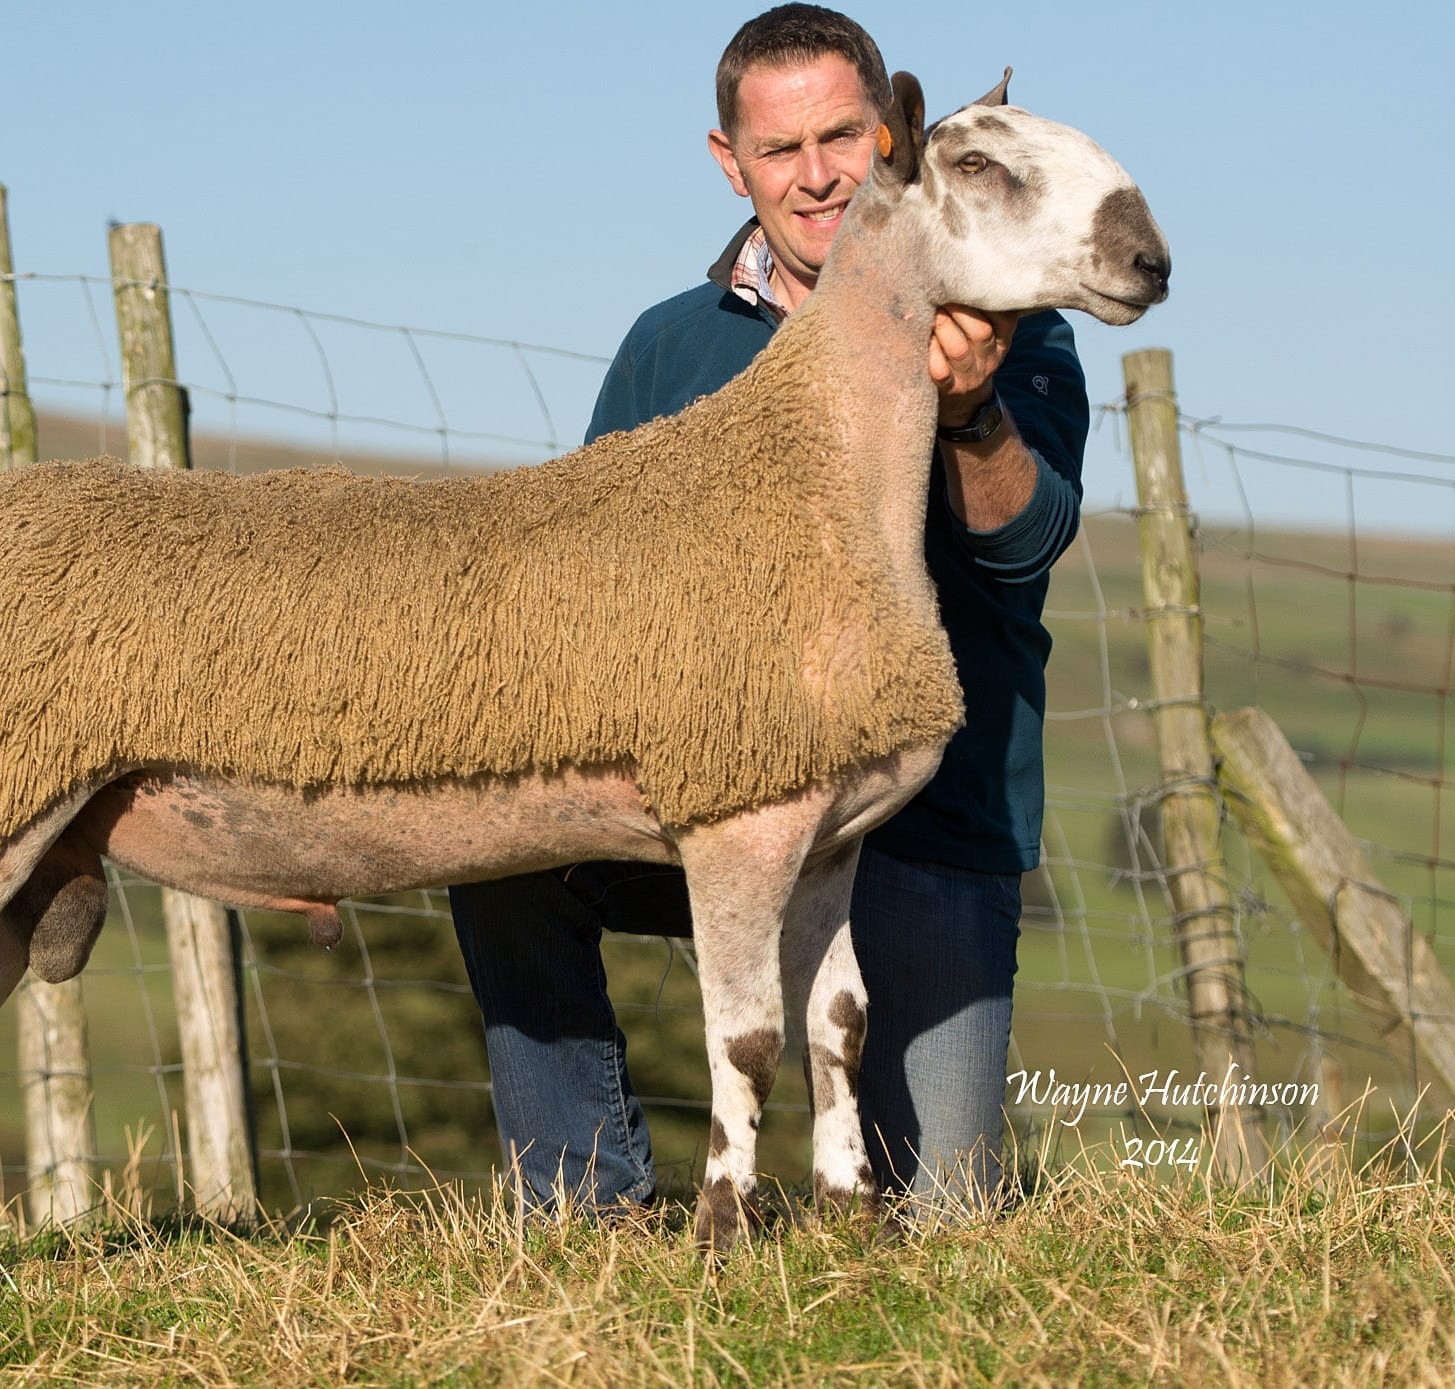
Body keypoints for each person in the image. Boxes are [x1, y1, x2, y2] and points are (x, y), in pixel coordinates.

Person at [449, 4, 1090, 1219]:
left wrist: (968, 411)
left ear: (891, 135)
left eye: (842, 136)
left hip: (926, 829)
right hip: (709, 804)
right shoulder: (670, 345)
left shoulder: (1008, 328)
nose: (816, 176)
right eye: (779, 148)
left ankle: (853, 1183)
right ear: (726, 160)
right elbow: (592, 598)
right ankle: (587, 1209)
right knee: (503, 858)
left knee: (941, 1220)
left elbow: (1025, 549)